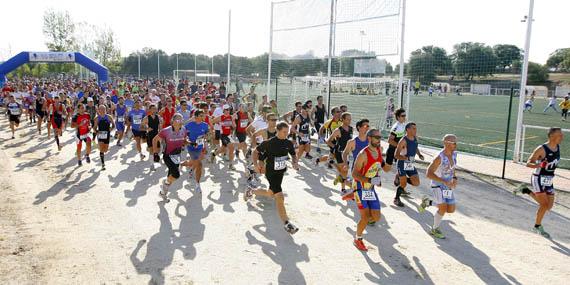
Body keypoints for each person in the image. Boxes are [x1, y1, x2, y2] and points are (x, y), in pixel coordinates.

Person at [244, 121, 300, 234]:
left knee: (270, 193)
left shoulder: (288, 143)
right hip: (270, 172)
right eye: (284, 132)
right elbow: (255, 152)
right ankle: (287, 223)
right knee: (279, 196)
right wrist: (255, 164)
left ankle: (251, 191)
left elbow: (293, 154)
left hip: (280, 173)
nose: (286, 134)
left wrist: (295, 162)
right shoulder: (269, 143)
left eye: (287, 132)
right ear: (278, 131)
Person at [515, 127, 563, 238]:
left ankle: (525, 190)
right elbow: (528, 163)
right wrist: (539, 165)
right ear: (552, 136)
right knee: (544, 205)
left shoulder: (558, 147)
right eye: (559, 135)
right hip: (538, 178)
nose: (562, 137)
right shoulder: (542, 149)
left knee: (548, 206)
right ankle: (537, 226)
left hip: (549, 180)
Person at [351, 128, 390, 251]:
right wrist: (369, 180)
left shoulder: (379, 151)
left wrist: (378, 177)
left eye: (380, 138)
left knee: (377, 217)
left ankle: (351, 196)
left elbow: (382, 167)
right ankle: (358, 239)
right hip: (360, 187)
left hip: (370, 188)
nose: (379, 140)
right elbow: (354, 174)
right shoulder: (363, 154)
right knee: (365, 217)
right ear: (369, 138)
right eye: (377, 137)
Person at [416, 134, 459, 239]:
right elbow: (428, 173)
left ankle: (427, 202)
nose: (456, 145)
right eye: (454, 143)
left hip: (448, 185)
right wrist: (444, 181)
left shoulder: (454, 154)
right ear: (447, 143)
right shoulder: (439, 157)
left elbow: (453, 168)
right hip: (438, 185)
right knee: (443, 208)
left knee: (451, 209)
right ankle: (434, 229)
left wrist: (455, 178)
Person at [153, 113, 190, 203]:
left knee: (170, 175)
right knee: (176, 175)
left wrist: (190, 143)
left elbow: (184, 141)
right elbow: (155, 139)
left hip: (177, 155)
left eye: (181, 119)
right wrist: (155, 153)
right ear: (172, 121)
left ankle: (162, 193)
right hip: (168, 155)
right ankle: (164, 185)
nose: (180, 121)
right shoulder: (166, 131)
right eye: (177, 119)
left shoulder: (184, 129)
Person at [393, 122, 424, 207]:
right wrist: (405, 158)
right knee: (403, 184)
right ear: (408, 130)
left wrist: (419, 154)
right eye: (413, 128)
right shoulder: (403, 141)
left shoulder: (415, 138)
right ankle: (396, 199)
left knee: (416, 182)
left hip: (409, 164)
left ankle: (399, 177)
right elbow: (396, 155)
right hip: (402, 164)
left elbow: (415, 146)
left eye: (415, 128)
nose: (415, 130)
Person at [341, 118, 370, 200]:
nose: (367, 128)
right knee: (360, 185)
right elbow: (345, 153)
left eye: (368, 126)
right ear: (359, 128)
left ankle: (354, 190)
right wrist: (346, 163)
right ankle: (347, 183)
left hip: (368, 166)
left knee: (367, 185)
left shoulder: (371, 140)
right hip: (357, 167)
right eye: (365, 126)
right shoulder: (352, 142)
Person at [326, 112, 353, 196]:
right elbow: (328, 141)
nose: (349, 120)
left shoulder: (351, 129)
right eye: (348, 119)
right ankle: (343, 189)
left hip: (347, 153)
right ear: (343, 119)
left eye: (350, 119)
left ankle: (333, 164)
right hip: (340, 153)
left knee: (344, 171)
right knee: (344, 171)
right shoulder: (338, 130)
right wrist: (335, 148)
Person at [185, 110, 210, 192]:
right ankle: (197, 185)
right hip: (191, 147)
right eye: (201, 115)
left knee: (197, 161)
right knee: (199, 163)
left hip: (200, 147)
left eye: (203, 115)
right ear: (196, 117)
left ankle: (191, 170)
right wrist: (187, 140)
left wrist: (206, 145)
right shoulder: (190, 124)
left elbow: (207, 134)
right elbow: (182, 131)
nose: (203, 116)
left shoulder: (205, 125)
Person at [210, 104, 237, 170]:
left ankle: (213, 154)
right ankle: (231, 164)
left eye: (229, 110)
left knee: (222, 149)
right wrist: (216, 126)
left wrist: (233, 120)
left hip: (229, 135)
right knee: (232, 147)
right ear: (224, 110)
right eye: (226, 110)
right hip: (223, 135)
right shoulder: (221, 117)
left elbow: (234, 127)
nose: (228, 111)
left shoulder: (231, 117)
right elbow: (211, 121)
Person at [387, 108, 407, 184]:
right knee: (387, 168)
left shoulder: (403, 125)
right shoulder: (396, 127)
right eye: (403, 116)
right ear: (398, 117)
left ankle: (400, 184)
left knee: (402, 168)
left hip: (398, 151)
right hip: (393, 151)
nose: (404, 117)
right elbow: (389, 140)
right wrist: (400, 147)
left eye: (405, 115)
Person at [94, 105, 115, 171]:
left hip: (107, 135)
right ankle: (103, 164)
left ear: (106, 109)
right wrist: (97, 132)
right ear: (99, 110)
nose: (103, 110)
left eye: (104, 109)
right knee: (101, 149)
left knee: (105, 149)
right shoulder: (97, 118)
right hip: (100, 135)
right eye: (101, 109)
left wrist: (110, 130)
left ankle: (102, 150)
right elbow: (94, 127)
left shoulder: (109, 117)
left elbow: (113, 125)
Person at [142, 104, 162, 170]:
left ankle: (151, 153)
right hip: (150, 135)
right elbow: (141, 127)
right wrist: (147, 129)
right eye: (152, 108)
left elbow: (160, 127)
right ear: (150, 110)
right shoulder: (146, 118)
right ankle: (151, 165)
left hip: (157, 135)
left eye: (155, 108)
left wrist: (161, 134)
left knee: (158, 150)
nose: (154, 110)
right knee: (151, 150)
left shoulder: (158, 117)